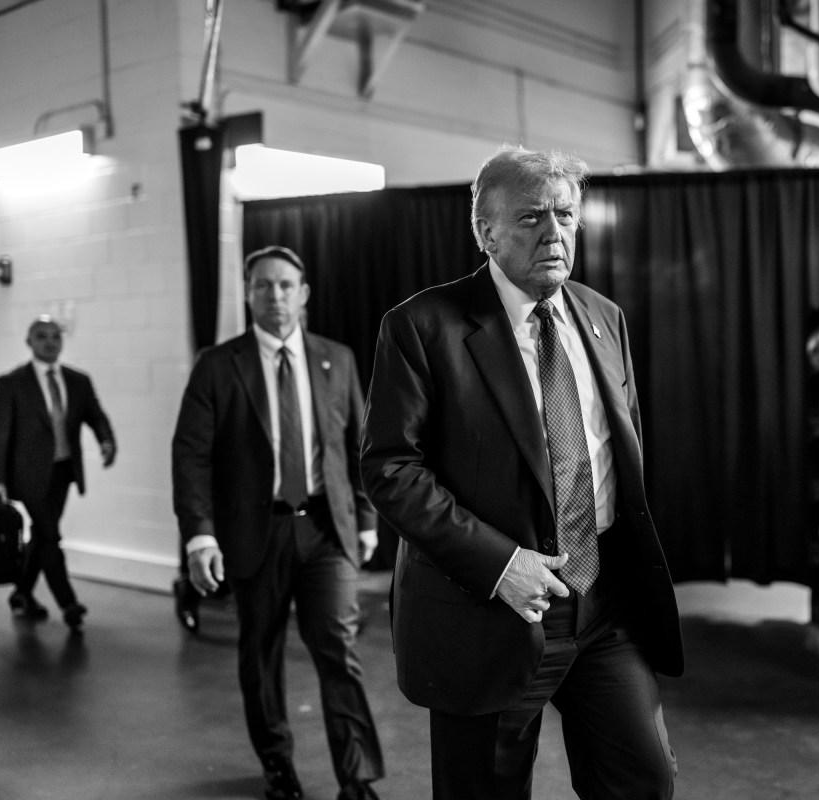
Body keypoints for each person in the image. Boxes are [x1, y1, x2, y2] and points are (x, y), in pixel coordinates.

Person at [360, 146, 684, 800]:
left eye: (566, 215)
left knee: (643, 781)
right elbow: (390, 468)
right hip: (488, 615)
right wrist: (502, 564)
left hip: (604, 606)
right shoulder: (423, 327)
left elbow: (619, 454)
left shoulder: (603, 318)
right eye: (533, 217)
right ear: (486, 232)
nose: (555, 232)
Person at [171, 245, 385, 800]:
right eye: (263, 285)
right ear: (248, 292)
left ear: (303, 293)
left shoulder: (335, 358)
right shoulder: (218, 365)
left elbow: (356, 445)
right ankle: (277, 763)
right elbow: (190, 454)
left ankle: (356, 775)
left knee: (338, 650)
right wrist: (199, 534)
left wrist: (365, 518)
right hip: (255, 532)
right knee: (260, 653)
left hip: (326, 531)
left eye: (286, 285)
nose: (275, 295)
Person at [0, 315, 116, 630]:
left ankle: (22, 594)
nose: (49, 342)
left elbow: (95, 415)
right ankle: (69, 603)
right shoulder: (12, 382)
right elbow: (0, 434)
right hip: (27, 474)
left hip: (63, 471)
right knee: (50, 535)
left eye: (54, 336)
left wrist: (106, 441)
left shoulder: (78, 381)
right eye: (41, 336)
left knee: (41, 534)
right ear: (29, 341)